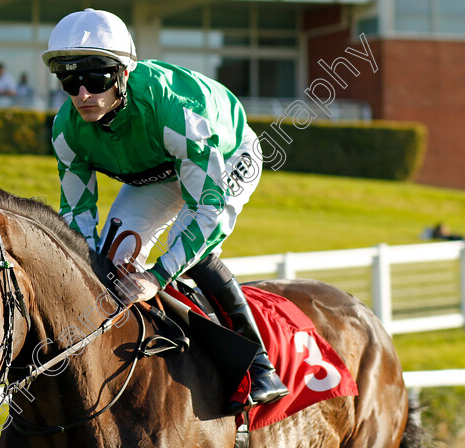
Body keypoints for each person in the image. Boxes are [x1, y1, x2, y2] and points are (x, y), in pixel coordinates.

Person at [43, 8, 289, 415]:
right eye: (69, 80)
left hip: (222, 155)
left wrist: (157, 277)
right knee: (109, 265)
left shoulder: (177, 113)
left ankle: (259, 364)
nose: (82, 94)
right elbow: (76, 218)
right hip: (156, 173)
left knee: (191, 251)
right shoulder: (67, 130)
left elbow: (207, 211)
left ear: (123, 74)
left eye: (95, 78)